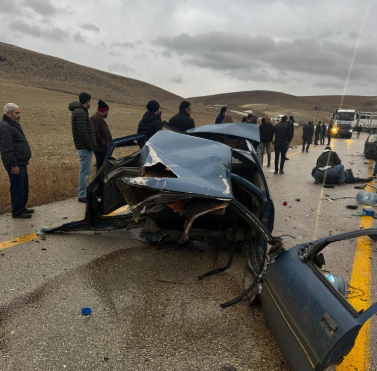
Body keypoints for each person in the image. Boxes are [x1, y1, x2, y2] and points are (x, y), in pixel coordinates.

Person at [0, 103, 33, 218]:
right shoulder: (5, 127)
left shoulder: (13, 124)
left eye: (19, 112)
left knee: (23, 185)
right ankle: (17, 212)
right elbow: (6, 149)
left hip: (21, 161)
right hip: (15, 162)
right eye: (17, 113)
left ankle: (22, 207)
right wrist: (13, 165)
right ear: (8, 113)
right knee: (17, 186)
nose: (19, 115)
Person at [69, 92, 97, 203]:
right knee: (84, 172)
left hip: (84, 147)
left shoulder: (80, 111)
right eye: (90, 101)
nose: (91, 103)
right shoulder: (80, 112)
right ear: (87, 101)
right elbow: (83, 132)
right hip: (84, 147)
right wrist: (90, 146)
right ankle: (82, 194)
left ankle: (84, 193)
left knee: (85, 171)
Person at [91, 100, 112, 172]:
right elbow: (95, 132)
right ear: (104, 111)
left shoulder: (99, 118)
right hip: (100, 149)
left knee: (103, 168)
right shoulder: (95, 118)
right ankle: (99, 182)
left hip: (103, 149)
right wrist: (103, 143)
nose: (107, 113)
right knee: (100, 168)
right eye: (107, 111)